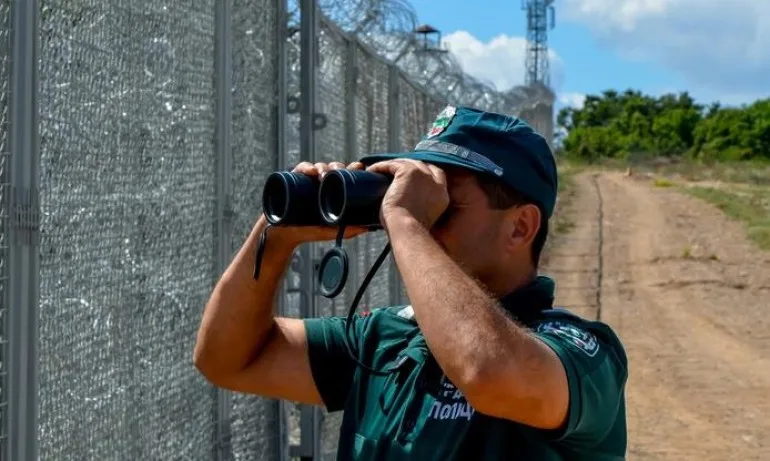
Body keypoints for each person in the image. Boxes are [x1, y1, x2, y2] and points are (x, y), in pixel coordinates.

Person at [194, 105, 628, 460]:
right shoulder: (385, 339)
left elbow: (485, 370)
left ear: (520, 228)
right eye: (418, 197)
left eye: (445, 204)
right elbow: (228, 359)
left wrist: (404, 218)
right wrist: (275, 237)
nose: (421, 216)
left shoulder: (583, 354)